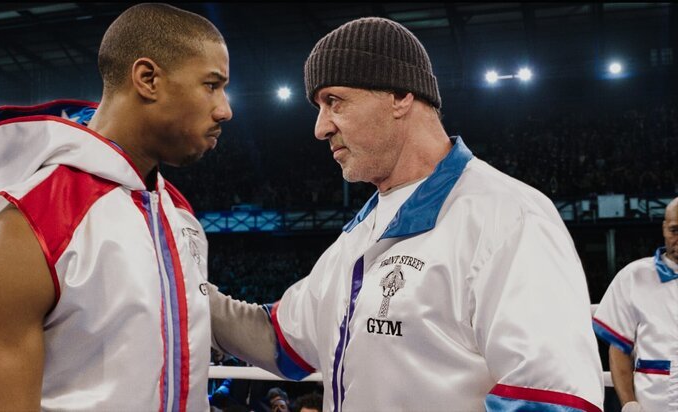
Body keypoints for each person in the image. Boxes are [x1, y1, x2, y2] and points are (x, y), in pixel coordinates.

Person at [209, 17, 603, 411]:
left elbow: (553, 398)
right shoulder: (358, 235)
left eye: (334, 101)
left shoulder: (508, 216)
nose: (320, 127)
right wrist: (184, 288)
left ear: (400, 95)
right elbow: (279, 339)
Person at [0, 3, 231, 410]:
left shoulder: (178, 211)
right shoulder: (28, 222)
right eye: (211, 85)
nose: (225, 109)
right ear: (147, 79)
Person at [593, 196, 678, 412]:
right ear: (664, 228)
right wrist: (629, 404)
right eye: (675, 230)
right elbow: (619, 350)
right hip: (655, 403)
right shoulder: (634, 276)